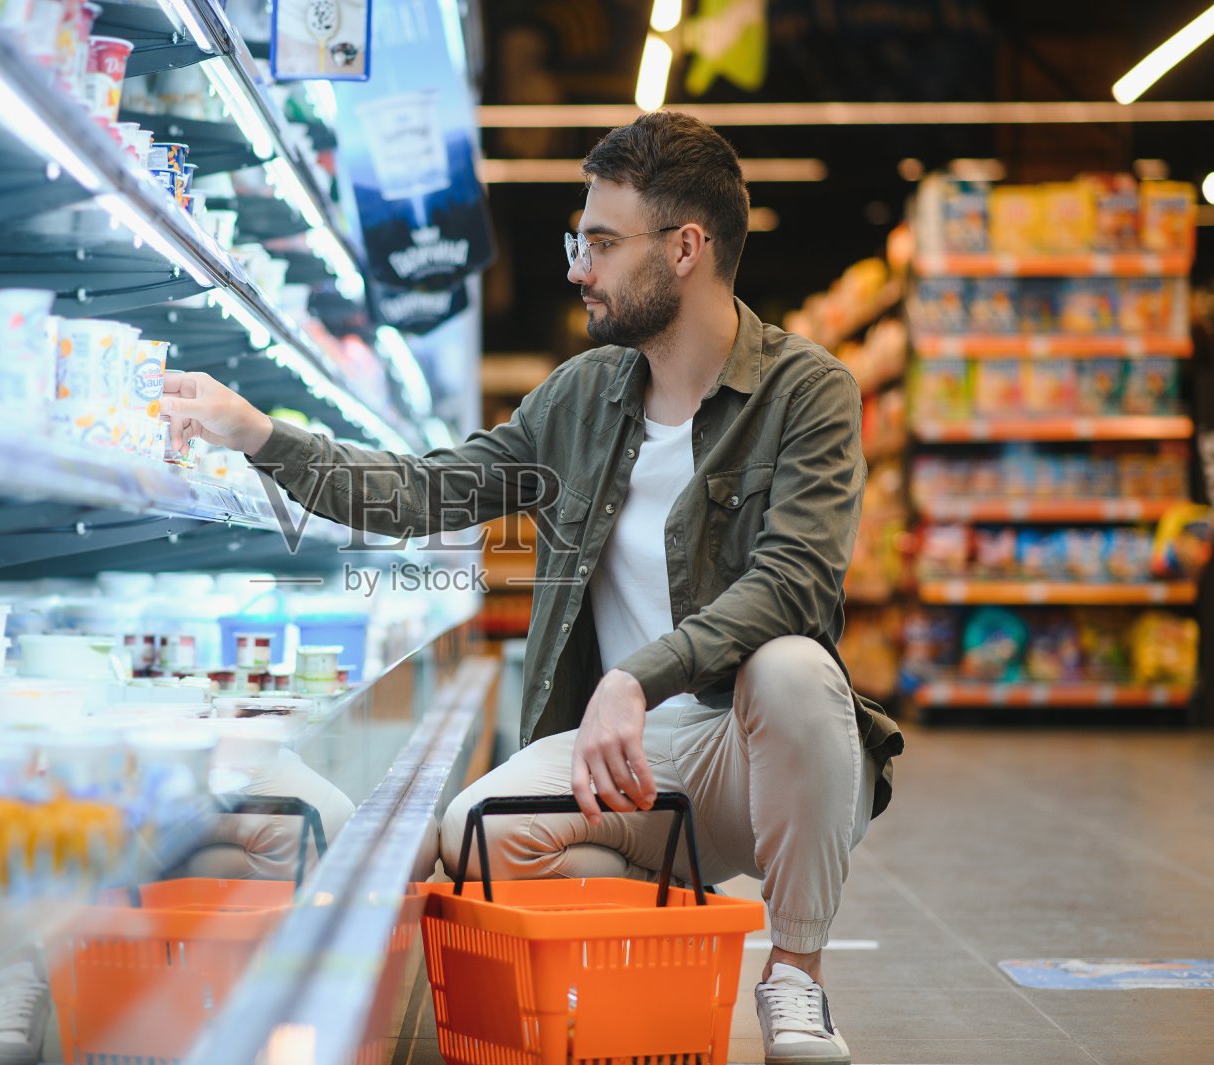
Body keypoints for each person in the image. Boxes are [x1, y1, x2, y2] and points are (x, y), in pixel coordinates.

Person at [162, 110, 904, 1065]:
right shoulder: (582, 397)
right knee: (476, 834)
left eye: (599, 241)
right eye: (576, 241)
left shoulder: (808, 390)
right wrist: (264, 436)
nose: (576, 267)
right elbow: (430, 490)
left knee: (797, 668)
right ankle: (682, 917)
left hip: (750, 750)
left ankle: (795, 978)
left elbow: (794, 585)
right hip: (628, 769)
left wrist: (637, 676)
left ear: (685, 248)